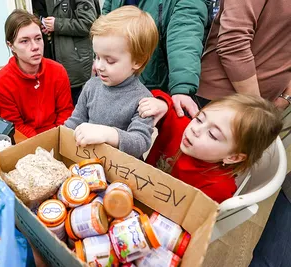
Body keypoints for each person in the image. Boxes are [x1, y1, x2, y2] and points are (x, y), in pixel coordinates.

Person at [145, 92, 283, 203]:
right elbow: (152, 97)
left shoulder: (218, 188)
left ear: (233, 157)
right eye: (199, 118)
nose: (195, 129)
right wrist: (162, 103)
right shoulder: (181, 129)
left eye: (212, 134)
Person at [64, 6, 158, 159]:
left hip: (121, 172)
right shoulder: (91, 86)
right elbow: (76, 120)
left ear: (137, 61)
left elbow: (141, 142)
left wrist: (108, 134)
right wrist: (60, 136)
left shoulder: (143, 101)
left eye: (110, 60)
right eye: (97, 57)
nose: (99, 66)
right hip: (88, 162)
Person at [102, 0, 208, 118]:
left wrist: (182, 87)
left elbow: (184, 36)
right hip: (117, 76)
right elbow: (107, 17)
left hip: (152, 82)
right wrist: (102, 57)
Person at [196, 0, 291, 111]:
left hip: (266, 105)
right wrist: (257, 109)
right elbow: (233, 43)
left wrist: (287, 96)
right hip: (223, 101)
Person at [0, 9, 74, 138]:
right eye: (25, 41)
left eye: (38, 38)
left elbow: (65, 112)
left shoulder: (58, 71)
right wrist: (42, 145)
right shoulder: (2, 83)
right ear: (11, 45)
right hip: (26, 142)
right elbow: (15, 126)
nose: (35, 46)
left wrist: (57, 139)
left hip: (59, 136)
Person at [36, 0, 98, 105]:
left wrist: (57, 24)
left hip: (75, 61)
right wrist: (48, 26)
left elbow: (88, 23)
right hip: (59, 58)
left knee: (76, 105)